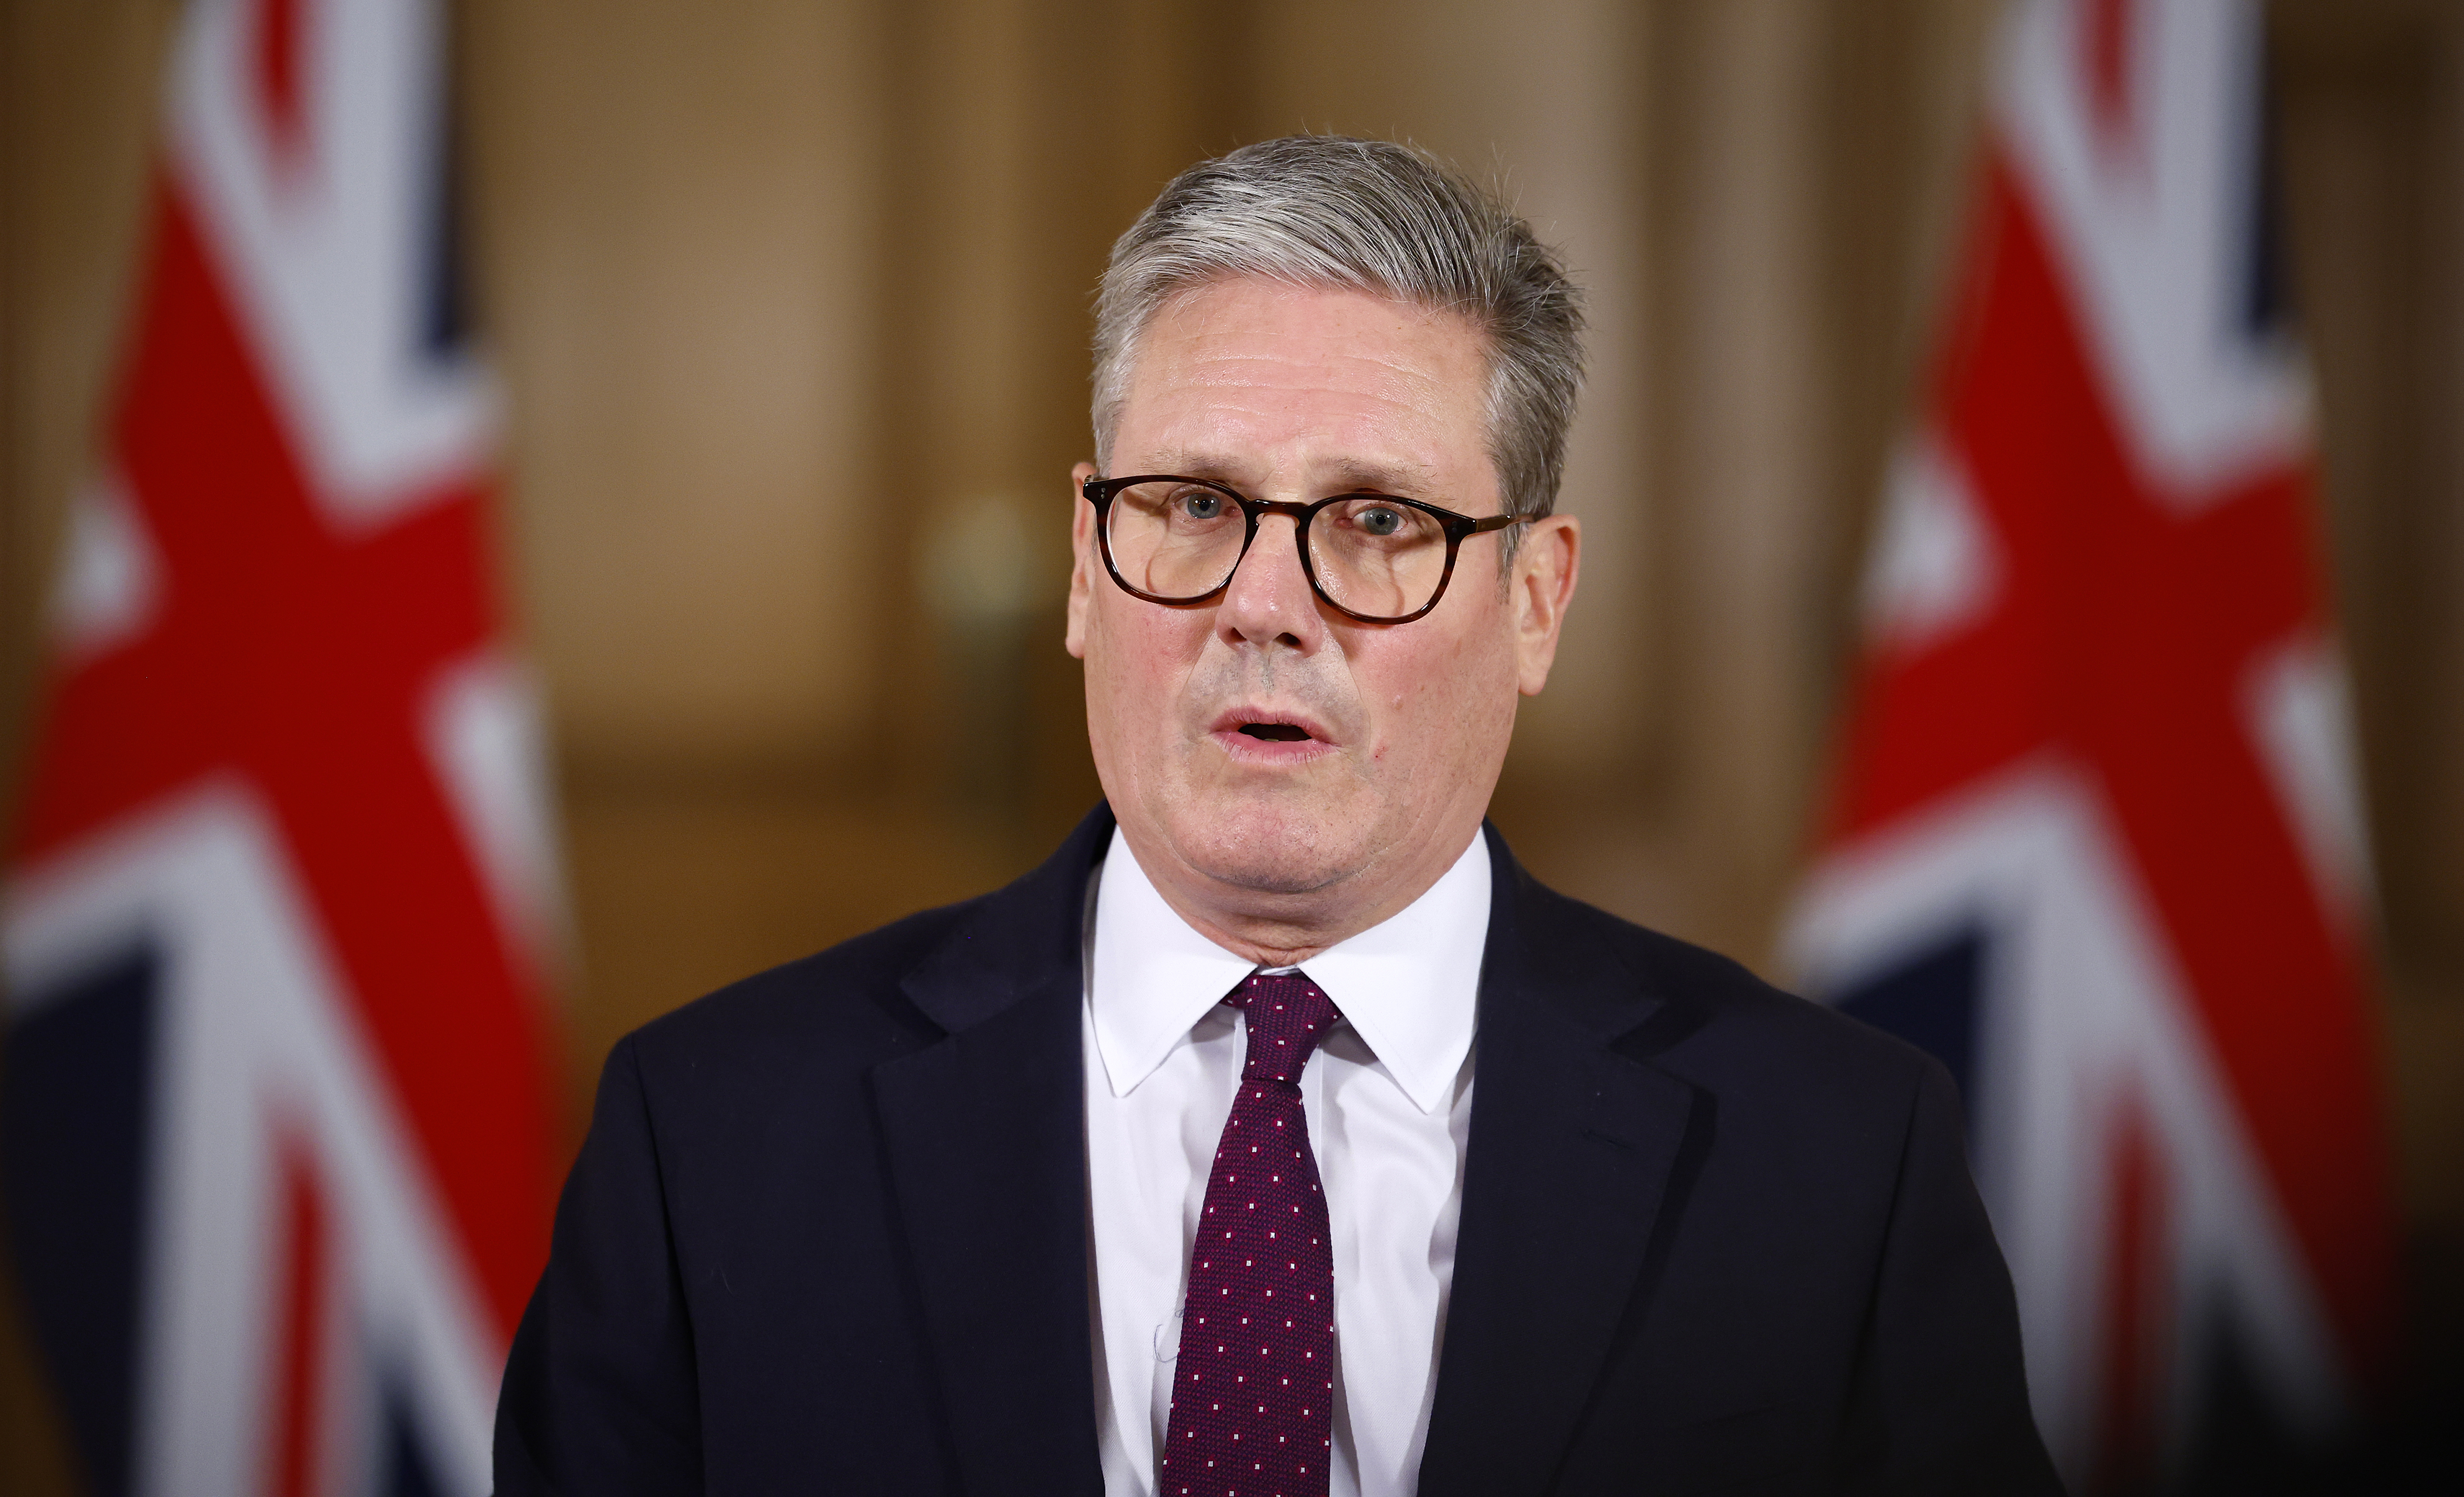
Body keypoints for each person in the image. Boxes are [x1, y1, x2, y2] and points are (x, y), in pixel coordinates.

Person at [493, 137, 2060, 1497]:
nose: (1265, 605)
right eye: (1192, 506)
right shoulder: (712, 1142)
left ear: (1535, 600)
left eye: (1377, 523)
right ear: (1081, 569)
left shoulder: (1832, 1167)